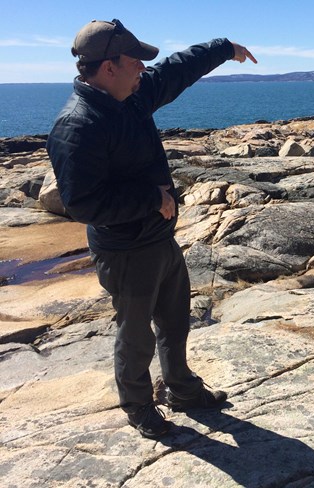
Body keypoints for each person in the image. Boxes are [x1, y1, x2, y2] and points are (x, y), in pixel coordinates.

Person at [46, 19, 257, 439]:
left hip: (158, 238)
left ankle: (181, 389)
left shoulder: (130, 97)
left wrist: (222, 47)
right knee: (136, 334)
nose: (143, 69)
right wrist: (151, 199)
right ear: (110, 67)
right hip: (125, 249)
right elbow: (83, 203)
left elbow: (174, 71)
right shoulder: (78, 126)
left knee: (176, 321)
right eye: (136, 62)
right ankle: (139, 406)